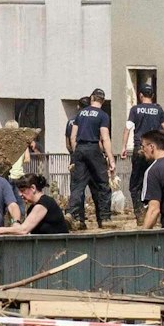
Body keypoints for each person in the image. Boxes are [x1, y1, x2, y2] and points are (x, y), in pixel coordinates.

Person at [66, 88, 114, 227]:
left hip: (80, 148)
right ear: (103, 101)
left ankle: (71, 214)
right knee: (102, 184)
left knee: (77, 185)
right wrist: (110, 158)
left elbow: (73, 136)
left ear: (92, 98)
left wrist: (76, 154)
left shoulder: (80, 114)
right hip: (94, 148)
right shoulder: (103, 115)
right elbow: (105, 137)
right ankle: (104, 218)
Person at [122, 81, 164, 201]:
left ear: (141, 95)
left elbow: (127, 128)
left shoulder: (135, 109)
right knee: (156, 179)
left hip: (140, 148)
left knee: (136, 183)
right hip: (155, 150)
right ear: (152, 96)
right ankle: (153, 207)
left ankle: (140, 214)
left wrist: (123, 147)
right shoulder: (158, 110)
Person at [0, 173, 70, 236]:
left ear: (33, 188)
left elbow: (24, 230)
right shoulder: (32, 208)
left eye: (22, 190)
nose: (20, 194)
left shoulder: (44, 203)